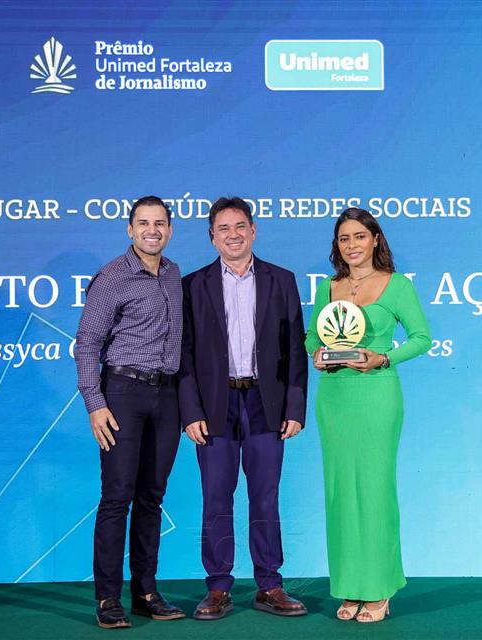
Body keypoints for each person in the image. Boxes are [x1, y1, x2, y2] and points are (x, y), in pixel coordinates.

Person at [179, 196, 309, 620]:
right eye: (223, 229)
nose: (232, 235)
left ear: (253, 231)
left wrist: (295, 406)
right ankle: (218, 587)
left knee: (265, 496)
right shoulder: (192, 285)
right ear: (212, 237)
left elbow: (295, 348)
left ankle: (269, 584)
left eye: (240, 227)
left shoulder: (281, 280)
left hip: (265, 403)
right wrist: (190, 411)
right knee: (216, 496)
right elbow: (184, 354)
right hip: (214, 406)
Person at [304, 207, 431, 623]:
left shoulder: (397, 285)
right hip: (334, 397)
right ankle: (350, 587)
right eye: (344, 238)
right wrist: (316, 353)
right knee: (340, 492)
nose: (352, 245)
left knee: (374, 491)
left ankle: (378, 589)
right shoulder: (328, 287)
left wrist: (384, 358)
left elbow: (422, 338)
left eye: (359, 236)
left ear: (376, 239)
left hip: (377, 395)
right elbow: (312, 335)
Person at [74, 195, 185, 628]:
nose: (151, 230)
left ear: (170, 229)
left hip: (166, 397)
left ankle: (145, 592)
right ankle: (108, 598)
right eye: (143, 223)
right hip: (122, 393)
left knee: (152, 497)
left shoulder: (174, 274)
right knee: (117, 496)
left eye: (159, 223)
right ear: (130, 229)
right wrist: (95, 403)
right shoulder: (112, 277)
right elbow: (87, 343)